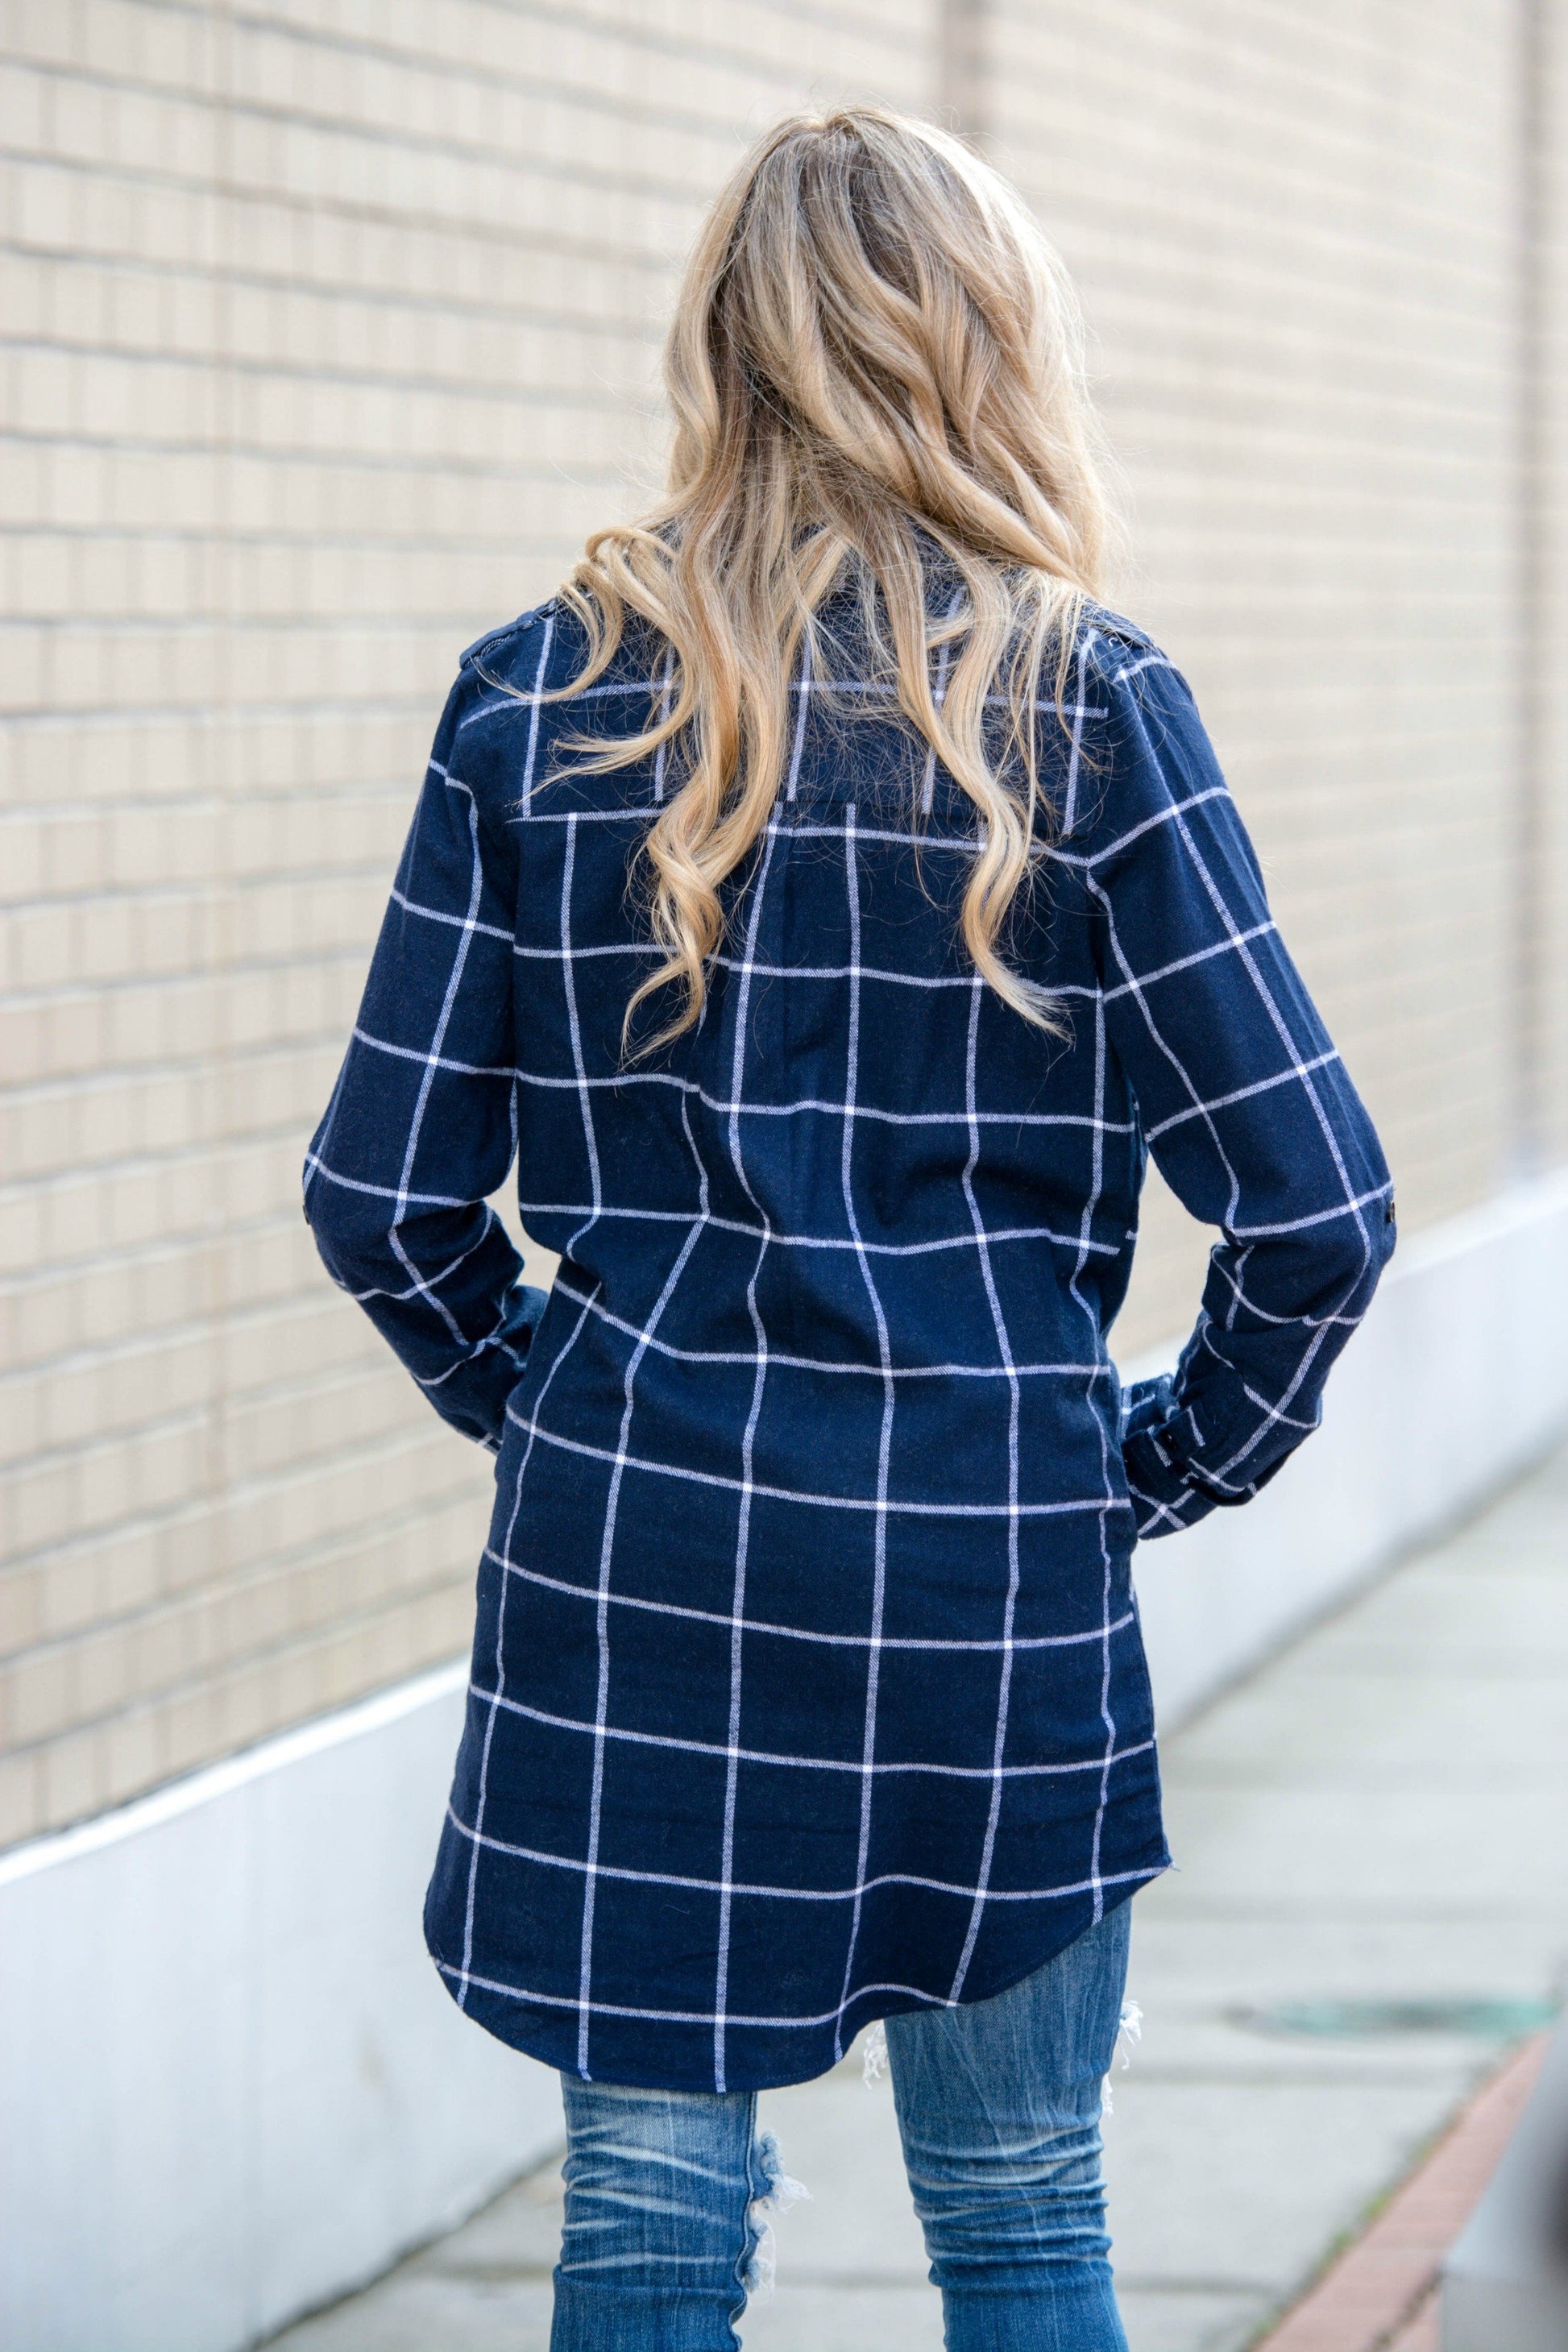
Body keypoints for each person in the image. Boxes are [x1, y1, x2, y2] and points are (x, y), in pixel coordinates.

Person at [304, 105, 1395, 2352]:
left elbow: (383, 1193)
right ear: (987, 346)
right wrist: (1138, 1466)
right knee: (1017, 2205)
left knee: (646, 2215)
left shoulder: (534, 697)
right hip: (986, 1555)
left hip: (644, 1556)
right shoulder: (1089, 705)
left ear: (721, 344)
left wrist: (565, 1409)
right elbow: (1316, 1206)